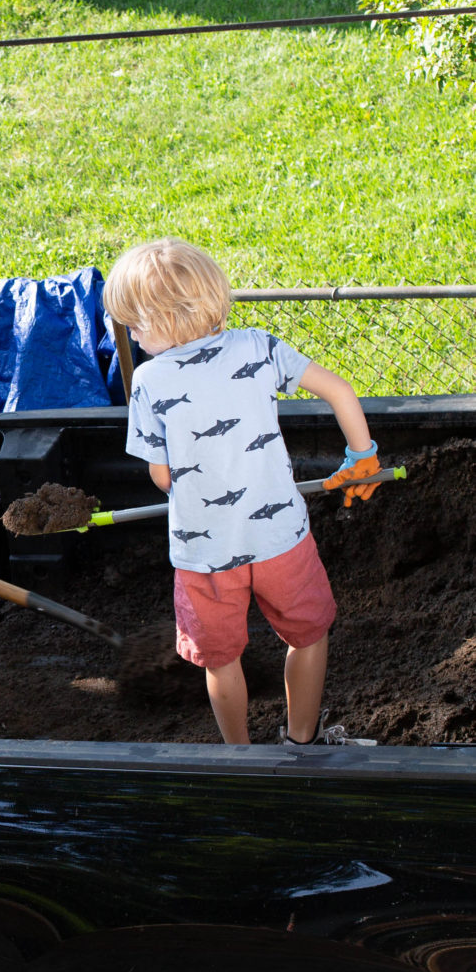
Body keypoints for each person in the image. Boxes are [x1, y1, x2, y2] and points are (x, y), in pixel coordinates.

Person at [108, 237, 382, 748]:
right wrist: (361, 458)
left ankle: (239, 755)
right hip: (282, 538)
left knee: (221, 658)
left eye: (135, 324)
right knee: (309, 634)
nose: (133, 334)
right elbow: (341, 391)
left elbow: (163, 478)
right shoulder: (258, 345)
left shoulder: (148, 381)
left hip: (205, 554)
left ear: (162, 320)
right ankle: (302, 737)